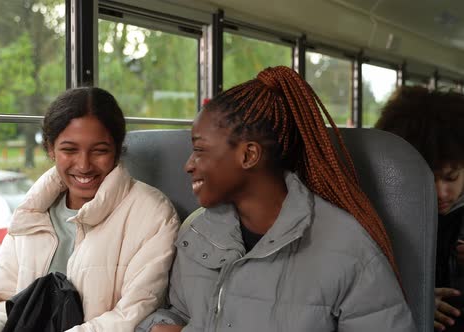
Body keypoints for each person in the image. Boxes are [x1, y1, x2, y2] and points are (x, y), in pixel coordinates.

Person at [137, 66, 415, 331]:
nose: (189, 164)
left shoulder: (350, 248)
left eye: (200, 150)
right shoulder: (196, 232)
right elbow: (181, 313)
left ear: (248, 156)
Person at [0, 87, 180, 332]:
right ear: (51, 149)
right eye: (69, 150)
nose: (83, 165)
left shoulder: (153, 213)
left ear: (116, 150)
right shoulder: (32, 213)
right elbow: (5, 302)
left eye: (99, 151)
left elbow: (134, 313)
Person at [375, 86, 464, 331]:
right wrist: (414, 301)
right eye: (426, 179)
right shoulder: (381, 216)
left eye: (451, 177)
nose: (440, 193)